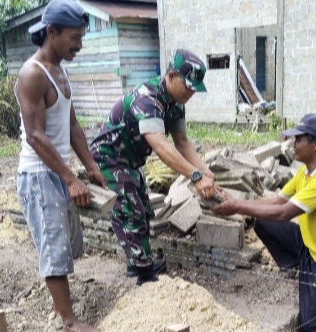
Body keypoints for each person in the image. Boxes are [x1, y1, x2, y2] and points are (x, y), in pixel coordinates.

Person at [212, 114, 316, 332]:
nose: (292, 144)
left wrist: (237, 206)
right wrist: (238, 203)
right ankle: (297, 269)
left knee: (311, 325)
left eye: (298, 139)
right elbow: (276, 202)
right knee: (265, 224)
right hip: (312, 246)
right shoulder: (307, 171)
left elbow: (284, 213)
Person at [15, 0, 106, 332]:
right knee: (53, 247)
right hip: (39, 175)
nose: (79, 45)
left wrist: (90, 167)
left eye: (82, 38)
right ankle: (68, 323)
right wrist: (69, 178)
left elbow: (72, 126)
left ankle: (63, 310)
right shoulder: (32, 74)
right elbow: (37, 137)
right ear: (51, 32)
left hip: (57, 170)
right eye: (74, 38)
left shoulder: (61, 70)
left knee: (66, 243)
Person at [90, 49, 219, 284]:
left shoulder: (176, 103)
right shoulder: (147, 100)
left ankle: (138, 261)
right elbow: (161, 147)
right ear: (171, 76)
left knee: (145, 209)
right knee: (131, 210)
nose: (191, 92)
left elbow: (182, 143)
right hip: (109, 157)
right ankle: (142, 273)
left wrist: (208, 173)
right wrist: (195, 175)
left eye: (194, 88)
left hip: (130, 160)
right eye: (188, 86)